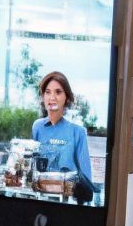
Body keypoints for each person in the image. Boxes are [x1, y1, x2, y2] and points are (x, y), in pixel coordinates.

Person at [31, 70, 97, 204]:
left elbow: (85, 176)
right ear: (43, 96)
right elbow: (32, 165)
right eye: (47, 92)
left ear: (66, 97)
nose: (52, 97)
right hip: (39, 200)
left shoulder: (77, 131)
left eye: (58, 92)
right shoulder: (37, 127)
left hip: (66, 202)